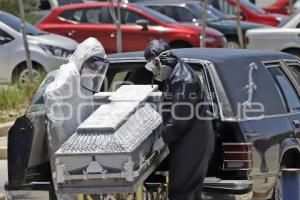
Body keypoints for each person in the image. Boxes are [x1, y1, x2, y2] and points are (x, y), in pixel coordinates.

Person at [144, 39, 215, 200]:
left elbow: (179, 119)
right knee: (185, 191)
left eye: (154, 65)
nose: (154, 72)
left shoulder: (184, 79)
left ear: (164, 59)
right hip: (188, 141)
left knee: (182, 192)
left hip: (193, 143)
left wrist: (161, 139)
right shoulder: (175, 75)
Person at [44, 37, 109, 200]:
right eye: (93, 63)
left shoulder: (86, 76)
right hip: (64, 138)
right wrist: (58, 128)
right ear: (84, 57)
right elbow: (51, 95)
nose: (95, 68)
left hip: (78, 139)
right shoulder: (71, 72)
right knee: (67, 186)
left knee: (80, 184)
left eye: (97, 65)